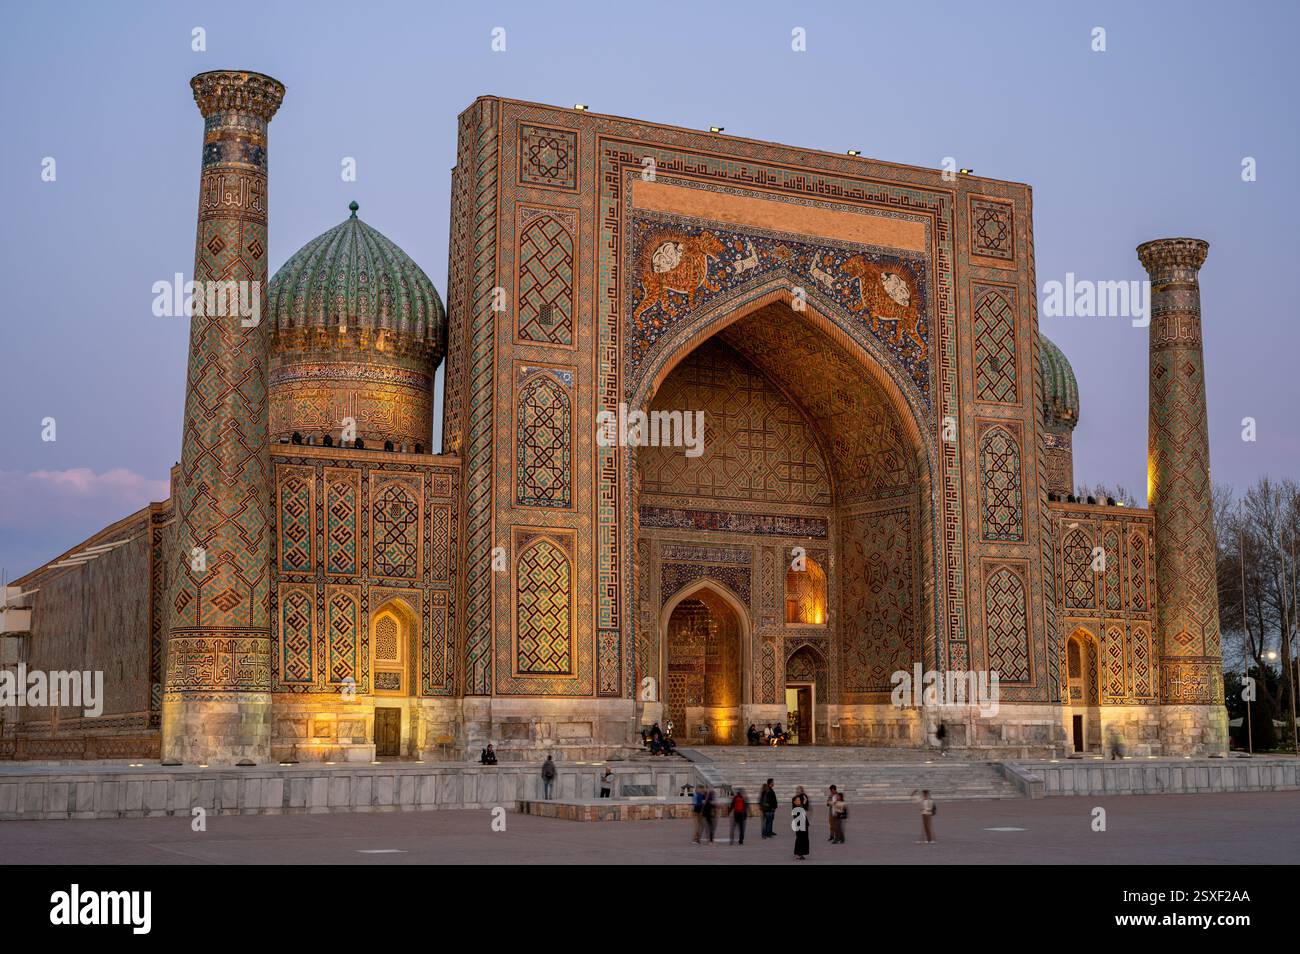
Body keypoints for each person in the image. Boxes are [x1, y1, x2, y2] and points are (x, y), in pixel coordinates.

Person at [792, 786, 810, 860]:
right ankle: (799, 853)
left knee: (804, 839)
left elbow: (805, 808)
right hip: (800, 825)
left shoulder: (800, 806)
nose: (799, 801)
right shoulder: (795, 808)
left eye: (799, 800)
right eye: (798, 800)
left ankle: (801, 853)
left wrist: (805, 801)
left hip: (804, 824)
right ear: (795, 802)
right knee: (800, 839)